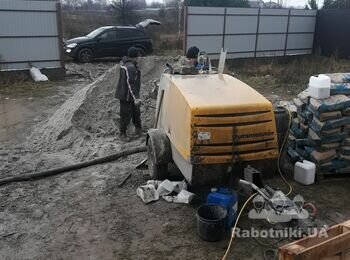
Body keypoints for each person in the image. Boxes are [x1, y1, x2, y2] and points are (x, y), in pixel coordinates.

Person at [115, 47, 142, 141]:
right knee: (125, 115)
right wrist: (136, 98)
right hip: (126, 96)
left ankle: (138, 130)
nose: (140, 58)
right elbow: (130, 83)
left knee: (136, 113)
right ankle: (122, 134)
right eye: (139, 56)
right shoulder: (130, 67)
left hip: (129, 94)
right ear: (136, 56)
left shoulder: (127, 65)